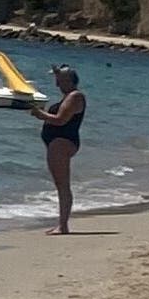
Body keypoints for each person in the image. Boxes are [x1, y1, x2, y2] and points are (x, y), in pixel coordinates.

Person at [27, 66, 86, 234]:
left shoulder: (75, 96)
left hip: (62, 142)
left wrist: (40, 114)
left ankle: (63, 225)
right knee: (61, 184)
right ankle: (62, 223)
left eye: (60, 80)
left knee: (62, 185)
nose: (57, 83)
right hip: (58, 142)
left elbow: (60, 120)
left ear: (69, 81)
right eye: (57, 79)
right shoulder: (69, 96)